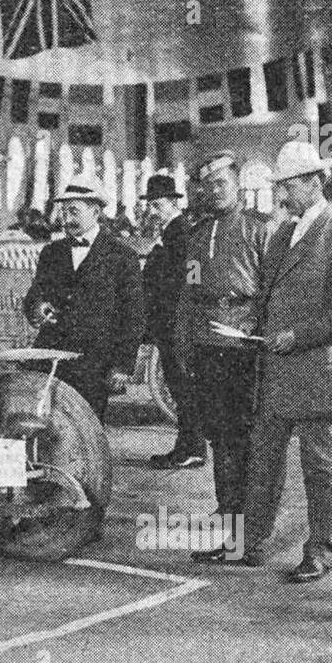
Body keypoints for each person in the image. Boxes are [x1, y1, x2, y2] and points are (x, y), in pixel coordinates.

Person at [240, 141, 332, 580]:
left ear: (315, 184)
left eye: (290, 186)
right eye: (280, 187)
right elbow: (268, 295)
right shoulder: (282, 234)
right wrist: (247, 328)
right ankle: (253, 542)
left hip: (316, 366)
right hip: (277, 367)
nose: (281, 196)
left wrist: (296, 336)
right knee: (264, 458)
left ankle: (321, 550)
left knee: (319, 463)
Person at [176, 151, 272, 562]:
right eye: (208, 185)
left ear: (237, 185)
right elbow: (191, 291)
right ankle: (230, 516)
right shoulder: (198, 236)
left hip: (244, 347)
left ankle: (247, 533)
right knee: (218, 436)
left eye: (222, 184)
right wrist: (184, 344)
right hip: (207, 347)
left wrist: (261, 337)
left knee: (246, 438)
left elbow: (271, 292)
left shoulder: (260, 230)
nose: (215, 191)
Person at [23, 182, 145, 419]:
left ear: (95, 212)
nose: (66, 219)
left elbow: (134, 315)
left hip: (95, 363)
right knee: (40, 424)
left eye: (73, 212)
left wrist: (123, 364)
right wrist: (38, 308)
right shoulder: (52, 252)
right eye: (64, 211)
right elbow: (34, 295)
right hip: (51, 358)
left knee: (86, 431)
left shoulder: (122, 256)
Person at [139, 173, 204, 469]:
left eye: (157, 205)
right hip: (169, 321)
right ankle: (188, 445)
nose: (152, 211)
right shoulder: (171, 231)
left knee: (183, 386)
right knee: (180, 386)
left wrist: (185, 314)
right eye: (150, 205)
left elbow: (193, 277)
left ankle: (192, 448)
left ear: (172, 203)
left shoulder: (182, 233)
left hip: (177, 321)